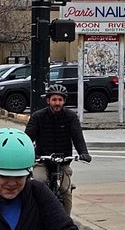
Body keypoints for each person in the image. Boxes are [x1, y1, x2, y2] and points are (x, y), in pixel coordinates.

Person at [24, 83, 91, 214]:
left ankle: (66, 222)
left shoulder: (70, 117)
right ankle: (35, 214)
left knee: (66, 190)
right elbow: (27, 138)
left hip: (63, 162)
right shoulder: (38, 117)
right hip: (42, 160)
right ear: (48, 100)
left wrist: (84, 153)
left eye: (60, 100)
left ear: (64, 101)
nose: (57, 103)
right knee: (39, 182)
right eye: (54, 99)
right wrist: (25, 153)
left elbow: (78, 137)